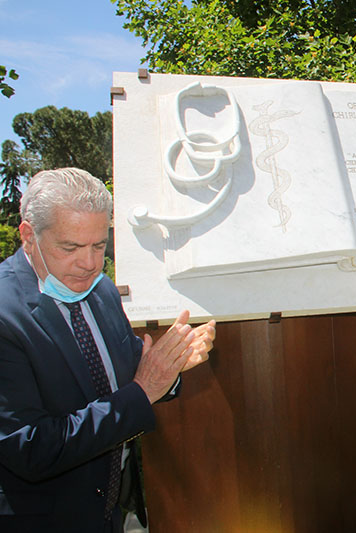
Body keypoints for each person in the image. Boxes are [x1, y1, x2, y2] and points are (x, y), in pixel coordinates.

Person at [0, 168, 216, 532]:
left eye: (100, 245)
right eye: (70, 247)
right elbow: (31, 449)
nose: (90, 264)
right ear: (27, 236)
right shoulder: (6, 316)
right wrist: (145, 390)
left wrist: (172, 368)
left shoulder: (101, 290)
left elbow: (128, 373)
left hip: (110, 514)